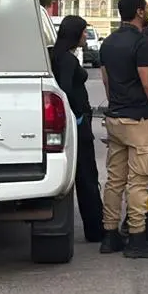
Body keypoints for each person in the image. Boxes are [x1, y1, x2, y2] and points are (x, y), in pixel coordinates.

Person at [98, 0, 148, 259]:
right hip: (139, 120)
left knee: (115, 180)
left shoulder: (108, 43)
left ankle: (109, 235)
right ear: (140, 12)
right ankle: (137, 237)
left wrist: (116, 104)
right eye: (146, 6)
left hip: (115, 118)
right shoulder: (142, 44)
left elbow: (107, 81)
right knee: (140, 181)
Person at [48, 15, 103, 244]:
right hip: (78, 124)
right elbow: (66, 88)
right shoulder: (69, 60)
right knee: (87, 175)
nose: (84, 37)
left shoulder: (53, 55)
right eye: (83, 32)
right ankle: (95, 228)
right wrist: (77, 115)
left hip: (69, 123)